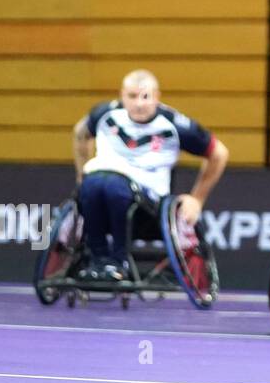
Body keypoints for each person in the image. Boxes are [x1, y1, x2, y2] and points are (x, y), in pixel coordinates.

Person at [71, 69, 229, 281]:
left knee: (112, 188)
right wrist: (81, 174)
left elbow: (219, 153)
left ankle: (119, 261)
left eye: (145, 97)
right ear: (122, 96)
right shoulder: (104, 115)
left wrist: (197, 199)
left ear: (157, 97)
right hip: (101, 180)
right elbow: (80, 133)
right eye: (132, 96)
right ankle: (98, 260)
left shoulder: (176, 125)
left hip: (147, 197)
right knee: (89, 187)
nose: (139, 103)